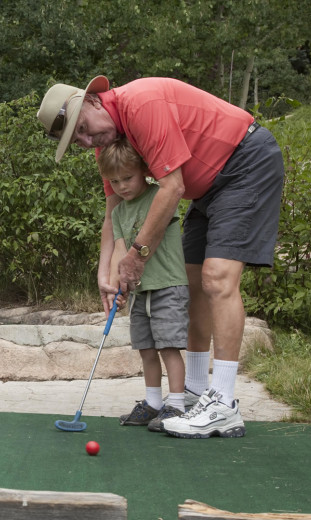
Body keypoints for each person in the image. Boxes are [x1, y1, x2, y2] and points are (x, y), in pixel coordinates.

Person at [37, 76, 284, 438]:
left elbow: (172, 186)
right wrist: (105, 273)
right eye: (78, 141)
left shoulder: (141, 105)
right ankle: (199, 391)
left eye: (84, 130)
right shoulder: (109, 141)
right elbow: (113, 212)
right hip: (210, 186)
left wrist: (136, 255)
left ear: (91, 101)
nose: (88, 141)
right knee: (193, 281)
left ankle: (224, 403)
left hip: (245, 162)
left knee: (216, 278)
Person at [98, 139, 188, 433]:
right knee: (146, 349)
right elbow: (121, 253)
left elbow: (156, 235)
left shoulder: (159, 196)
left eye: (128, 177)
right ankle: (153, 404)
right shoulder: (119, 212)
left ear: (143, 170)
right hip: (140, 293)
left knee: (168, 348)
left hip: (167, 285)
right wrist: (115, 288)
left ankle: (176, 404)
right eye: (115, 181)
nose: (122, 186)